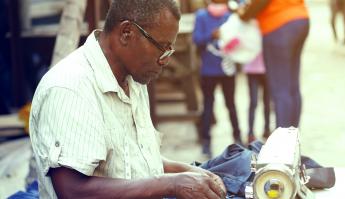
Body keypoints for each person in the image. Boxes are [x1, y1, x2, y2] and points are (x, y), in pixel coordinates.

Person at [29, 1, 226, 198]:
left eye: (169, 50)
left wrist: (189, 172)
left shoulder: (133, 79)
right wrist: (171, 184)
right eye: (162, 47)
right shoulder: (70, 89)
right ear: (126, 33)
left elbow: (136, 160)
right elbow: (72, 191)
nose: (165, 59)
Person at [239, 0, 310, 128]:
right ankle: (292, 136)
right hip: (301, 18)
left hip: (278, 25)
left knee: (281, 89)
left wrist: (244, 14)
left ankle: (283, 141)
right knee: (292, 85)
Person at [193, 0, 242, 158]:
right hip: (208, 71)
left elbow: (238, 40)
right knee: (208, 105)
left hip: (227, 70)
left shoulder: (230, 16)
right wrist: (211, 35)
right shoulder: (201, 16)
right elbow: (197, 39)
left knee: (231, 104)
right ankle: (206, 142)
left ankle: (238, 137)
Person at [243, 52, 270, 144]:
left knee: (267, 102)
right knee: (253, 102)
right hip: (252, 69)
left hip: (268, 68)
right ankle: (250, 133)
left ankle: (267, 130)